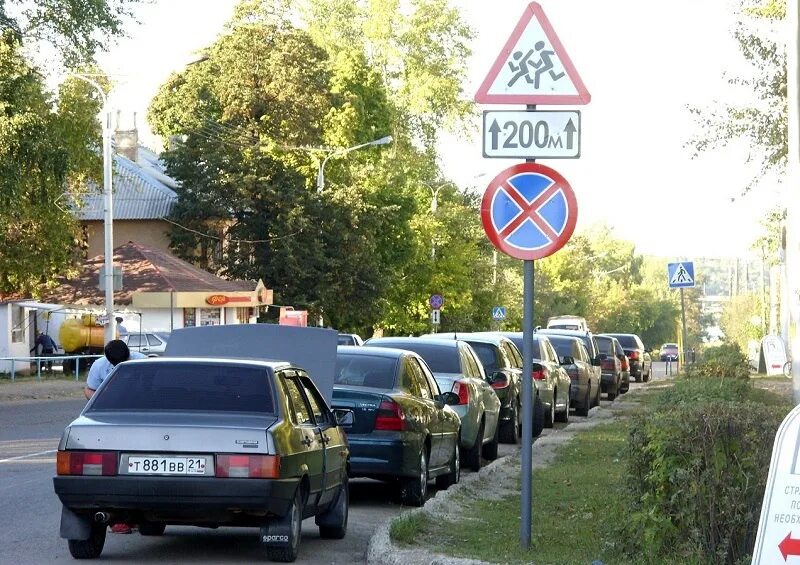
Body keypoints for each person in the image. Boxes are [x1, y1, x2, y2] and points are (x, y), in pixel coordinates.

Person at [84, 339, 146, 534]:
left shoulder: (142, 363)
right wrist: (100, 405)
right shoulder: (99, 366)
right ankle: (117, 520)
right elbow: (89, 389)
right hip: (110, 420)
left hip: (138, 419)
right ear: (108, 360)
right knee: (112, 469)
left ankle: (140, 517)